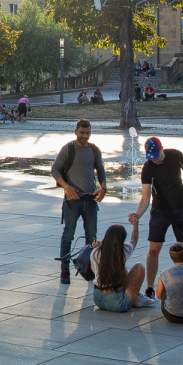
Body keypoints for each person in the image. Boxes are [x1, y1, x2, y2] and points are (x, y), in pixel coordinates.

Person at [128, 139, 183, 297]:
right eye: (151, 156)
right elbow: (145, 198)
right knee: (153, 250)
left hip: (181, 208)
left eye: (157, 154)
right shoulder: (148, 167)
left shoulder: (176, 155)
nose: (155, 158)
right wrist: (137, 215)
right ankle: (150, 288)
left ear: (162, 148)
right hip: (160, 211)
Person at [53, 119, 107, 285]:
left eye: (88, 133)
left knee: (92, 236)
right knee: (68, 235)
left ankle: (89, 269)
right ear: (76, 131)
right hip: (72, 201)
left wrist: (103, 188)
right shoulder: (68, 149)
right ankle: (65, 270)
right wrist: (67, 187)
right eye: (82, 133)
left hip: (90, 200)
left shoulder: (94, 150)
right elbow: (54, 170)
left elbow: (101, 170)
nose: (85, 136)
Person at [91, 221, 152, 311]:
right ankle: (136, 297)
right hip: (117, 303)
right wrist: (135, 224)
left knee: (121, 266)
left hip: (97, 299)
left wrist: (98, 246)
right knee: (139, 267)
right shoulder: (123, 251)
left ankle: (136, 295)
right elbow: (134, 240)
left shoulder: (95, 252)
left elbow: (95, 270)